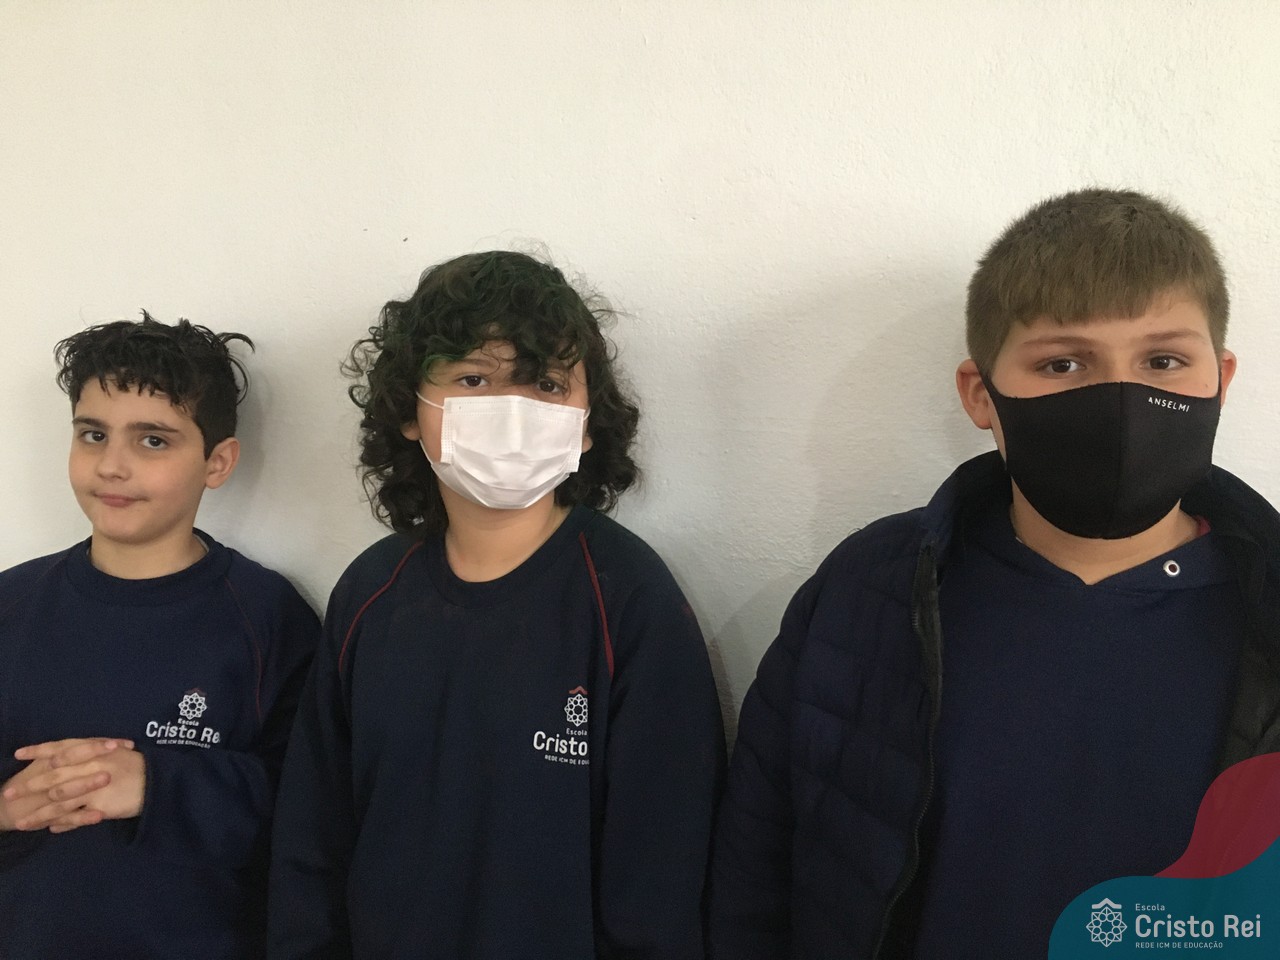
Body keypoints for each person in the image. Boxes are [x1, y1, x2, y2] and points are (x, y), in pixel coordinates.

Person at [709, 188, 1280, 958]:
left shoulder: (1266, 608)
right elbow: (757, 869)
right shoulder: (865, 593)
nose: (1120, 398)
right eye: (1063, 362)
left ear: (1221, 379)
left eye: (1164, 360)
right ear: (982, 395)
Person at [269, 251, 725, 959]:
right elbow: (313, 833)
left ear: (588, 423)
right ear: (410, 410)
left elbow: (663, 872)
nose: (513, 413)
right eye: (474, 379)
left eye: (546, 384)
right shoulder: (369, 593)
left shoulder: (630, 600)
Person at [0, 314, 320, 959]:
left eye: (152, 440)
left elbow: (313, 817)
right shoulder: (11, 605)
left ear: (217, 462)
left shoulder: (268, 618)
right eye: (93, 434)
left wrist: (159, 785)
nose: (112, 466)